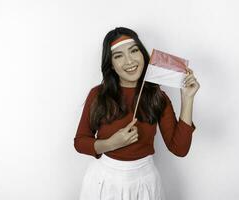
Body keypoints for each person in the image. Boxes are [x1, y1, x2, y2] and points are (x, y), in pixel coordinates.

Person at [74, 27, 200, 200]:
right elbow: (80, 142)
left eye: (134, 51)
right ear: (111, 63)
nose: (129, 61)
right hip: (104, 181)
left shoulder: (158, 97)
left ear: (142, 54)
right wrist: (110, 144)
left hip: (145, 182)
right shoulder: (97, 94)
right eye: (119, 56)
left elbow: (180, 149)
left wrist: (187, 100)